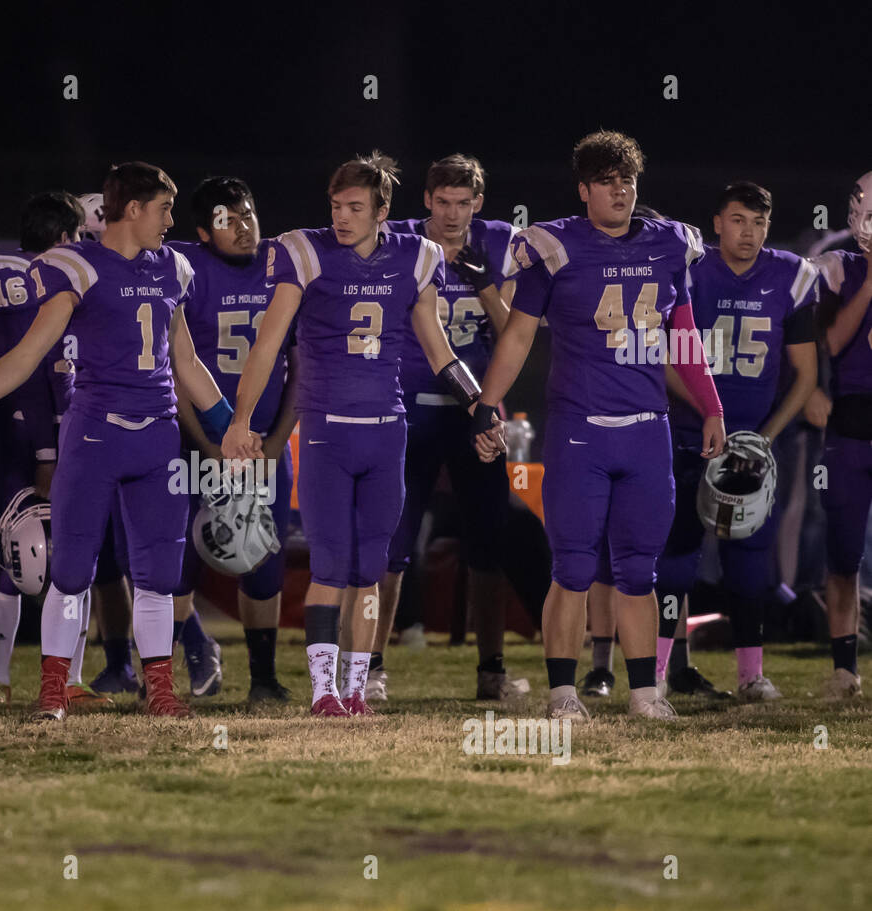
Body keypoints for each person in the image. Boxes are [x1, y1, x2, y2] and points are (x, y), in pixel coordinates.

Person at [222, 152, 501, 717]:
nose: (342, 217)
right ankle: (324, 691)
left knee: (371, 567)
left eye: (354, 207)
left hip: (385, 431)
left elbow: (439, 349)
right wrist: (241, 420)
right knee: (329, 565)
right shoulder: (305, 251)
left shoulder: (417, 257)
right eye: (336, 206)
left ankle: (356, 689)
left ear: (382, 211)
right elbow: (268, 343)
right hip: (327, 431)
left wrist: (479, 405)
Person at [474, 130, 726, 722]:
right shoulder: (553, 246)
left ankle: (644, 693)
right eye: (607, 181)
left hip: (648, 428)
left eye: (628, 180)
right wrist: (487, 403)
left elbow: (683, 337)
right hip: (579, 428)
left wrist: (711, 406)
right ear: (583, 189)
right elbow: (516, 335)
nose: (620, 190)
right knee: (574, 566)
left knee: (641, 569)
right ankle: (563, 691)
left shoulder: (669, 244)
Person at [0, 162, 230, 722]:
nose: (171, 220)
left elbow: (186, 362)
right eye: (163, 208)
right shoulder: (80, 266)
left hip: (157, 434)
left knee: (159, 575)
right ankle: (52, 689)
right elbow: (30, 351)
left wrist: (229, 426)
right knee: (70, 570)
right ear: (133, 209)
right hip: (94, 433)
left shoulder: (174, 269)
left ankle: (160, 689)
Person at [656, 181, 817, 702]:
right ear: (717, 222)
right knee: (677, 558)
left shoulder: (791, 276)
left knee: (751, 560)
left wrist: (762, 441)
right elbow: (668, 361)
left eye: (759, 222)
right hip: (689, 434)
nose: (748, 232)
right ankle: (656, 674)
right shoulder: (690, 272)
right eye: (738, 220)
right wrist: (710, 415)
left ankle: (751, 674)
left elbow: (805, 375)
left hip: (751, 446)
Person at [375, 154, 518, 703]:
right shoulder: (402, 241)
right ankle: (373, 665)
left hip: (476, 413)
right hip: (407, 407)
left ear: (478, 203)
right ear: (427, 201)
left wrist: (485, 287)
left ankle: (492, 668)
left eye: (464, 203)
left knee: (488, 540)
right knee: (393, 541)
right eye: (443, 202)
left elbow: (515, 335)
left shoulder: (500, 243)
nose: (453, 213)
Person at [168, 176, 298, 705]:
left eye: (247, 214)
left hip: (265, 441)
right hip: (196, 439)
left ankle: (264, 677)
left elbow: (301, 367)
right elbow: (174, 368)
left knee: (262, 559)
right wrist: (205, 446)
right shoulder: (184, 268)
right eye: (226, 220)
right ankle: (193, 648)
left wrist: (273, 444)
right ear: (203, 231)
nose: (242, 227)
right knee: (175, 562)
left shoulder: (284, 262)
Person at [0, 190, 106, 709]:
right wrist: (50, 452)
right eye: (78, 237)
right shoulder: (15, 271)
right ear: (62, 239)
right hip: (30, 432)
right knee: (18, 554)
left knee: (68, 559)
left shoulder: (34, 275)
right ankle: (1, 678)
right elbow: (36, 367)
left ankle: (62, 679)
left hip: (48, 430)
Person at [813, 174, 872, 699]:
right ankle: (844, 667)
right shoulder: (841, 267)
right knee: (844, 555)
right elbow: (830, 342)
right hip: (852, 427)